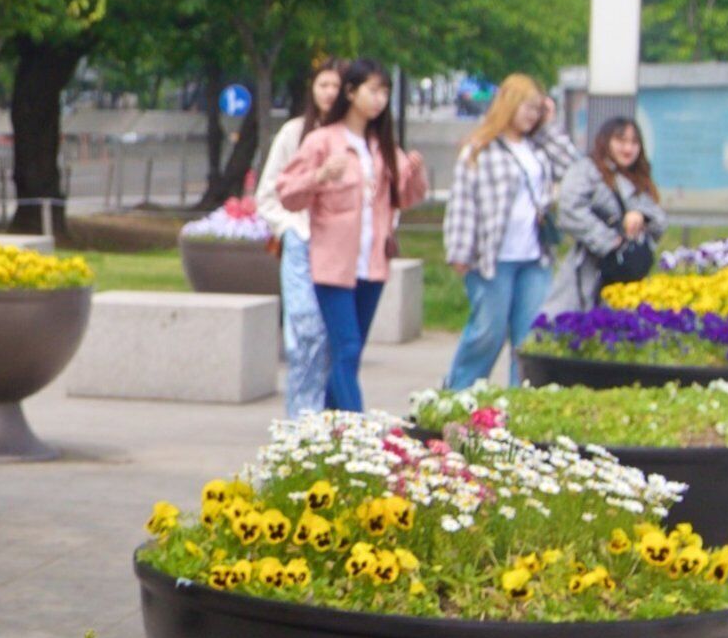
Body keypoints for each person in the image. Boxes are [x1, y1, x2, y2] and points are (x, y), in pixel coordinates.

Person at [272, 59, 425, 413]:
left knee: (349, 356)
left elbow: (406, 197)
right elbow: (288, 193)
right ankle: (359, 429)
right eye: (373, 90)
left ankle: (331, 429)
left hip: (372, 266)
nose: (380, 99)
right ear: (352, 92)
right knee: (347, 347)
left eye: (385, 92)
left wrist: (415, 175)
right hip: (333, 265)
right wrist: (320, 176)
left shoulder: (382, 146)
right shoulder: (322, 141)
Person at [441, 74, 583, 388]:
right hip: (491, 258)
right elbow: (463, 202)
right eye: (527, 108)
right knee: (486, 333)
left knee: (529, 337)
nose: (531, 115)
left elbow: (573, 167)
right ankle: (456, 393)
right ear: (509, 105)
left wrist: (549, 126)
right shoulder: (480, 149)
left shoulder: (538, 147)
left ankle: (519, 403)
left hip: (534, 257)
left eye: (537, 109)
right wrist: (459, 252)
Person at [251, 60, 333, 416]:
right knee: (305, 333)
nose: (330, 93)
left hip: (343, 249)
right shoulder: (293, 133)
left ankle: (329, 419)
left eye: (337, 86)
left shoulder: (358, 140)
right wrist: (288, 227)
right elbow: (267, 194)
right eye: (323, 85)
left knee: (336, 340)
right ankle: (301, 420)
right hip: (301, 242)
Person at [553, 115, 666, 315]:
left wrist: (641, 216)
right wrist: (610, 241)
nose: (628, 149)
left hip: (628, 272)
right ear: (606, 141)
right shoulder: (587, 170)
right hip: (590, 270)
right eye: (621, 141)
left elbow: (659, 220)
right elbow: (569, 209)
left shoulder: (639, 177)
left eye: (634, 142)